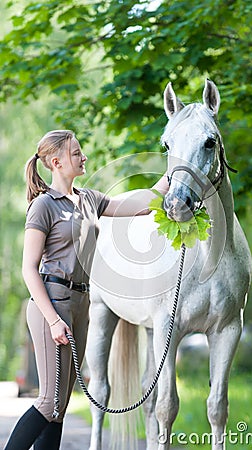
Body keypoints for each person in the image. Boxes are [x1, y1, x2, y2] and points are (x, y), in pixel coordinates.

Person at [4, 129, 169, 450]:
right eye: (76, 153)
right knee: (49, 402)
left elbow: (134, 205)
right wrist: (53, 320)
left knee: (60, 409)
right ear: (56, 162)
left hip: (81, 302)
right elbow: (28, 269)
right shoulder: (44, 206)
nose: (84, 157)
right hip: (51, 303)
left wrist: (169, 181)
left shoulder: (89, 199)